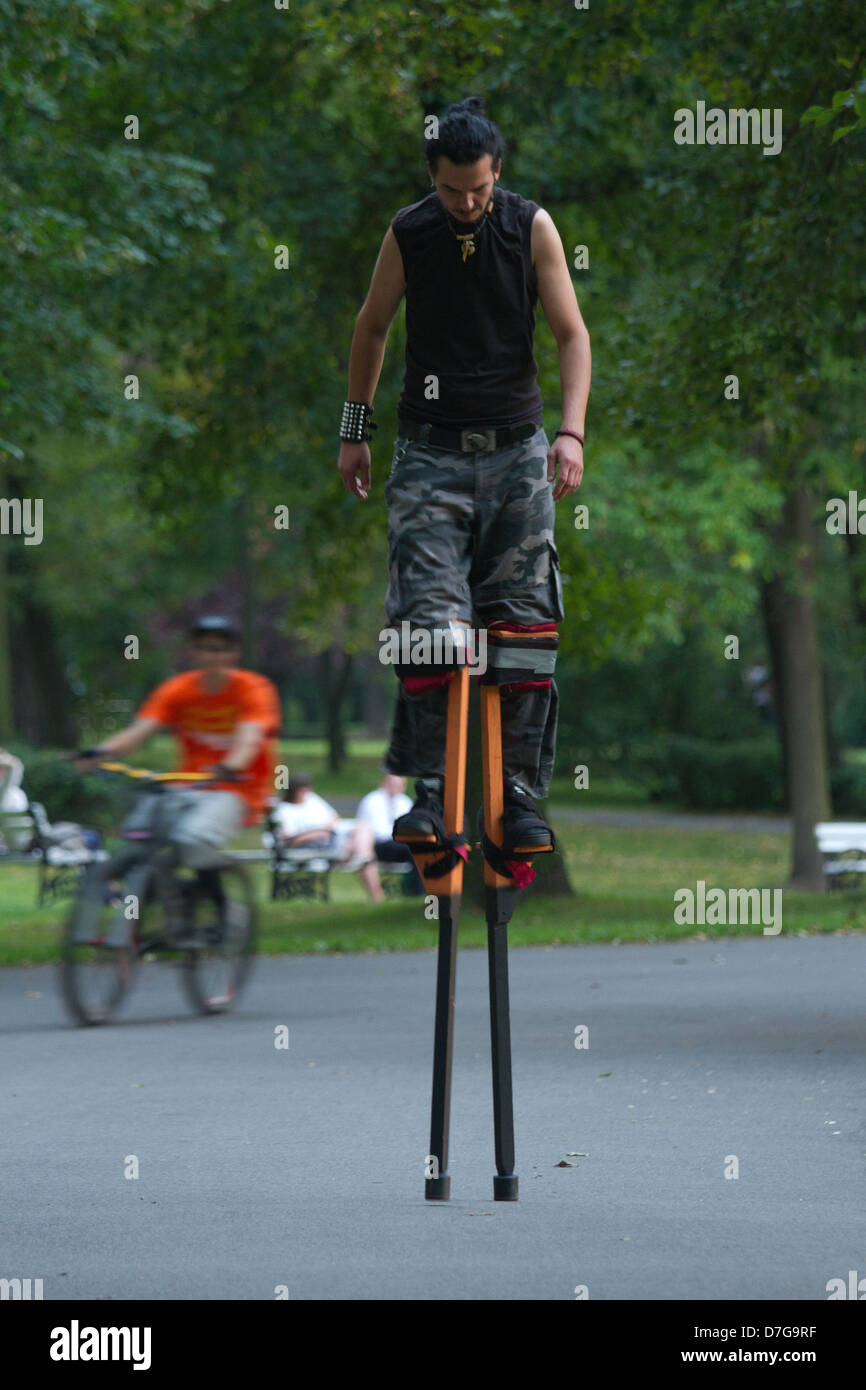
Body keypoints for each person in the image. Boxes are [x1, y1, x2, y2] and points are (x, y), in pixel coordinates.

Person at [337, 96, 590, 859]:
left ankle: (516, 799)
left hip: (517, 456)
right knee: (429, 634)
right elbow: (371, 327)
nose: (468, 204)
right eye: (453, 191)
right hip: (429, 459)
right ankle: (429, 795)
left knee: (524, 636)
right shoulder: (410, 232)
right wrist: (355, 431)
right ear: (432, 177)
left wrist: (573, 432)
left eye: (479, 189)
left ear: (497, 173)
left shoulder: (529, 226)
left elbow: (572, 334)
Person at [76, 616, 281, 872]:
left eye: (219, 649)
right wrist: (99, 754)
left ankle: (225, 900)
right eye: (203, 648)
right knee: (137, 833)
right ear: (193, 652)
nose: (211, 656)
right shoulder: (178, 689)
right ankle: (141, 896)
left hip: (238, 788)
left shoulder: (254, 689)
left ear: (234, 654)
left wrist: (229, 766)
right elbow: (139, 731)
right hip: (188, 785)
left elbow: (249, 740)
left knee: (192, 839)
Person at [271, 773, 385, 902]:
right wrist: (315, 833)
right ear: (295, 790)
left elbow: (334, 817)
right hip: (314, 847)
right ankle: (376, 894)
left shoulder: (311, 799)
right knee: (365, 852)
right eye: (304, 790)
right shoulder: (284, 810)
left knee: (364, 828)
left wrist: (326, 829)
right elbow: (288, 839)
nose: (307, 793)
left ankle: (361, 860)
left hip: (333, 839)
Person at [355, 773, 424, 895]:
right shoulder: (372, 801)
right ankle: (416, 892)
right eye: (392, 784)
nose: (395, 788)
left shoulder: (404, 802)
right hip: (379, 845)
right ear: (384, 783)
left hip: (400, 844)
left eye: (399, 785)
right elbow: (373, 830)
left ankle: (418, 892)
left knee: (421, 850)